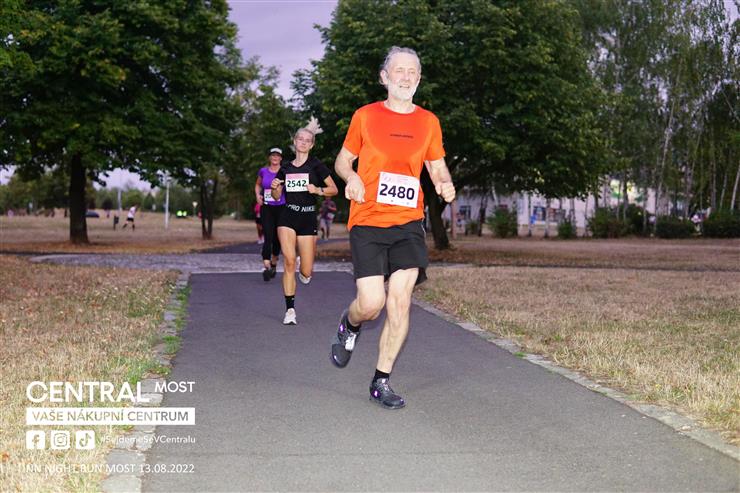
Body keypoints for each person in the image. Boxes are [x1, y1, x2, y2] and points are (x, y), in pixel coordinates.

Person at [330, 46, 456, 409]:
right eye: (399, 70)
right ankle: (350, 324)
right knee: (372, 304)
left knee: (400, 301)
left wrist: (445, 182)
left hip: (407, 222)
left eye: (413, 71)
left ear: (419, 79)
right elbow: (342, 160)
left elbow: (436, 166)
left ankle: (380, 381)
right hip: (368, 220)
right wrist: (352, 177)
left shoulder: (428, 122)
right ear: (384, 77)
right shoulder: (365, 116)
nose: (406, 77)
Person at [270, 124, 338, 325]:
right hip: (288, 216)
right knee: (289, 260)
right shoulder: (285, 168)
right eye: (300, 139)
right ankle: (290, 310)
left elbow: (334, 189)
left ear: (312, 145)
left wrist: (317, 190)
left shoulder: (316, 165)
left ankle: (303, 267)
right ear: (295, 142)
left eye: (308, 140)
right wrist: (275, 187)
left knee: (306, 273)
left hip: (308, 218)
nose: (303, 143)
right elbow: (276, 196)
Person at [255, 147, 286, 281]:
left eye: (277, 155)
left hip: (281, 207)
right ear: (269, 157)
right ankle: (266, 265)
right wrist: (258, 196)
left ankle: (274, 261)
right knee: (268, 235)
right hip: (267, 207)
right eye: (273, 155)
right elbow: (258, 185)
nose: (275, 158)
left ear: (281, 158)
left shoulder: (285, 171)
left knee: (277, 238)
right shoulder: (263, 171)